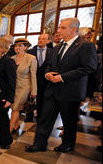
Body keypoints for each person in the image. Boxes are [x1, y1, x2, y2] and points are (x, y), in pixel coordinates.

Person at [26, 18, 98, 153]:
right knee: (44, 118)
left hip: (71, 91)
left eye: (63, 28)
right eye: (59, 27)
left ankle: (67, 144)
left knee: (69, 121)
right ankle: (39, 144)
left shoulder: (85, 46)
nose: (58, 31)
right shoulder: (58, 47)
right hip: (52, 90)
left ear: (74, 29)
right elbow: (50, 66)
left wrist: (62, 77)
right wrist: (47, 74)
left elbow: (89, 67)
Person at [9, 38, 37, 133]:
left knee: (15, 108)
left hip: (24, 87)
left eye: (20, 46)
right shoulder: (11, 59)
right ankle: (16, 126)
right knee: (14, 107)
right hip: (13, 87)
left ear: (26, 47)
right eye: (16, 46)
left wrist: (34, 91)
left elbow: (33, 75)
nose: (17, 48)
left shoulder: (31, 58)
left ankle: (9, 130)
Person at [28, 33, 54, 119]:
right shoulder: (31, 51)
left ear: (48, 41)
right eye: (39, 38)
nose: (40, 40)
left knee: (42, 97)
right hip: (32, 78)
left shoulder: (52, 52)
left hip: (45, 79)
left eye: (43, 39)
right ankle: (29, 114)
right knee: (30, 96)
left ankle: (40, 114)